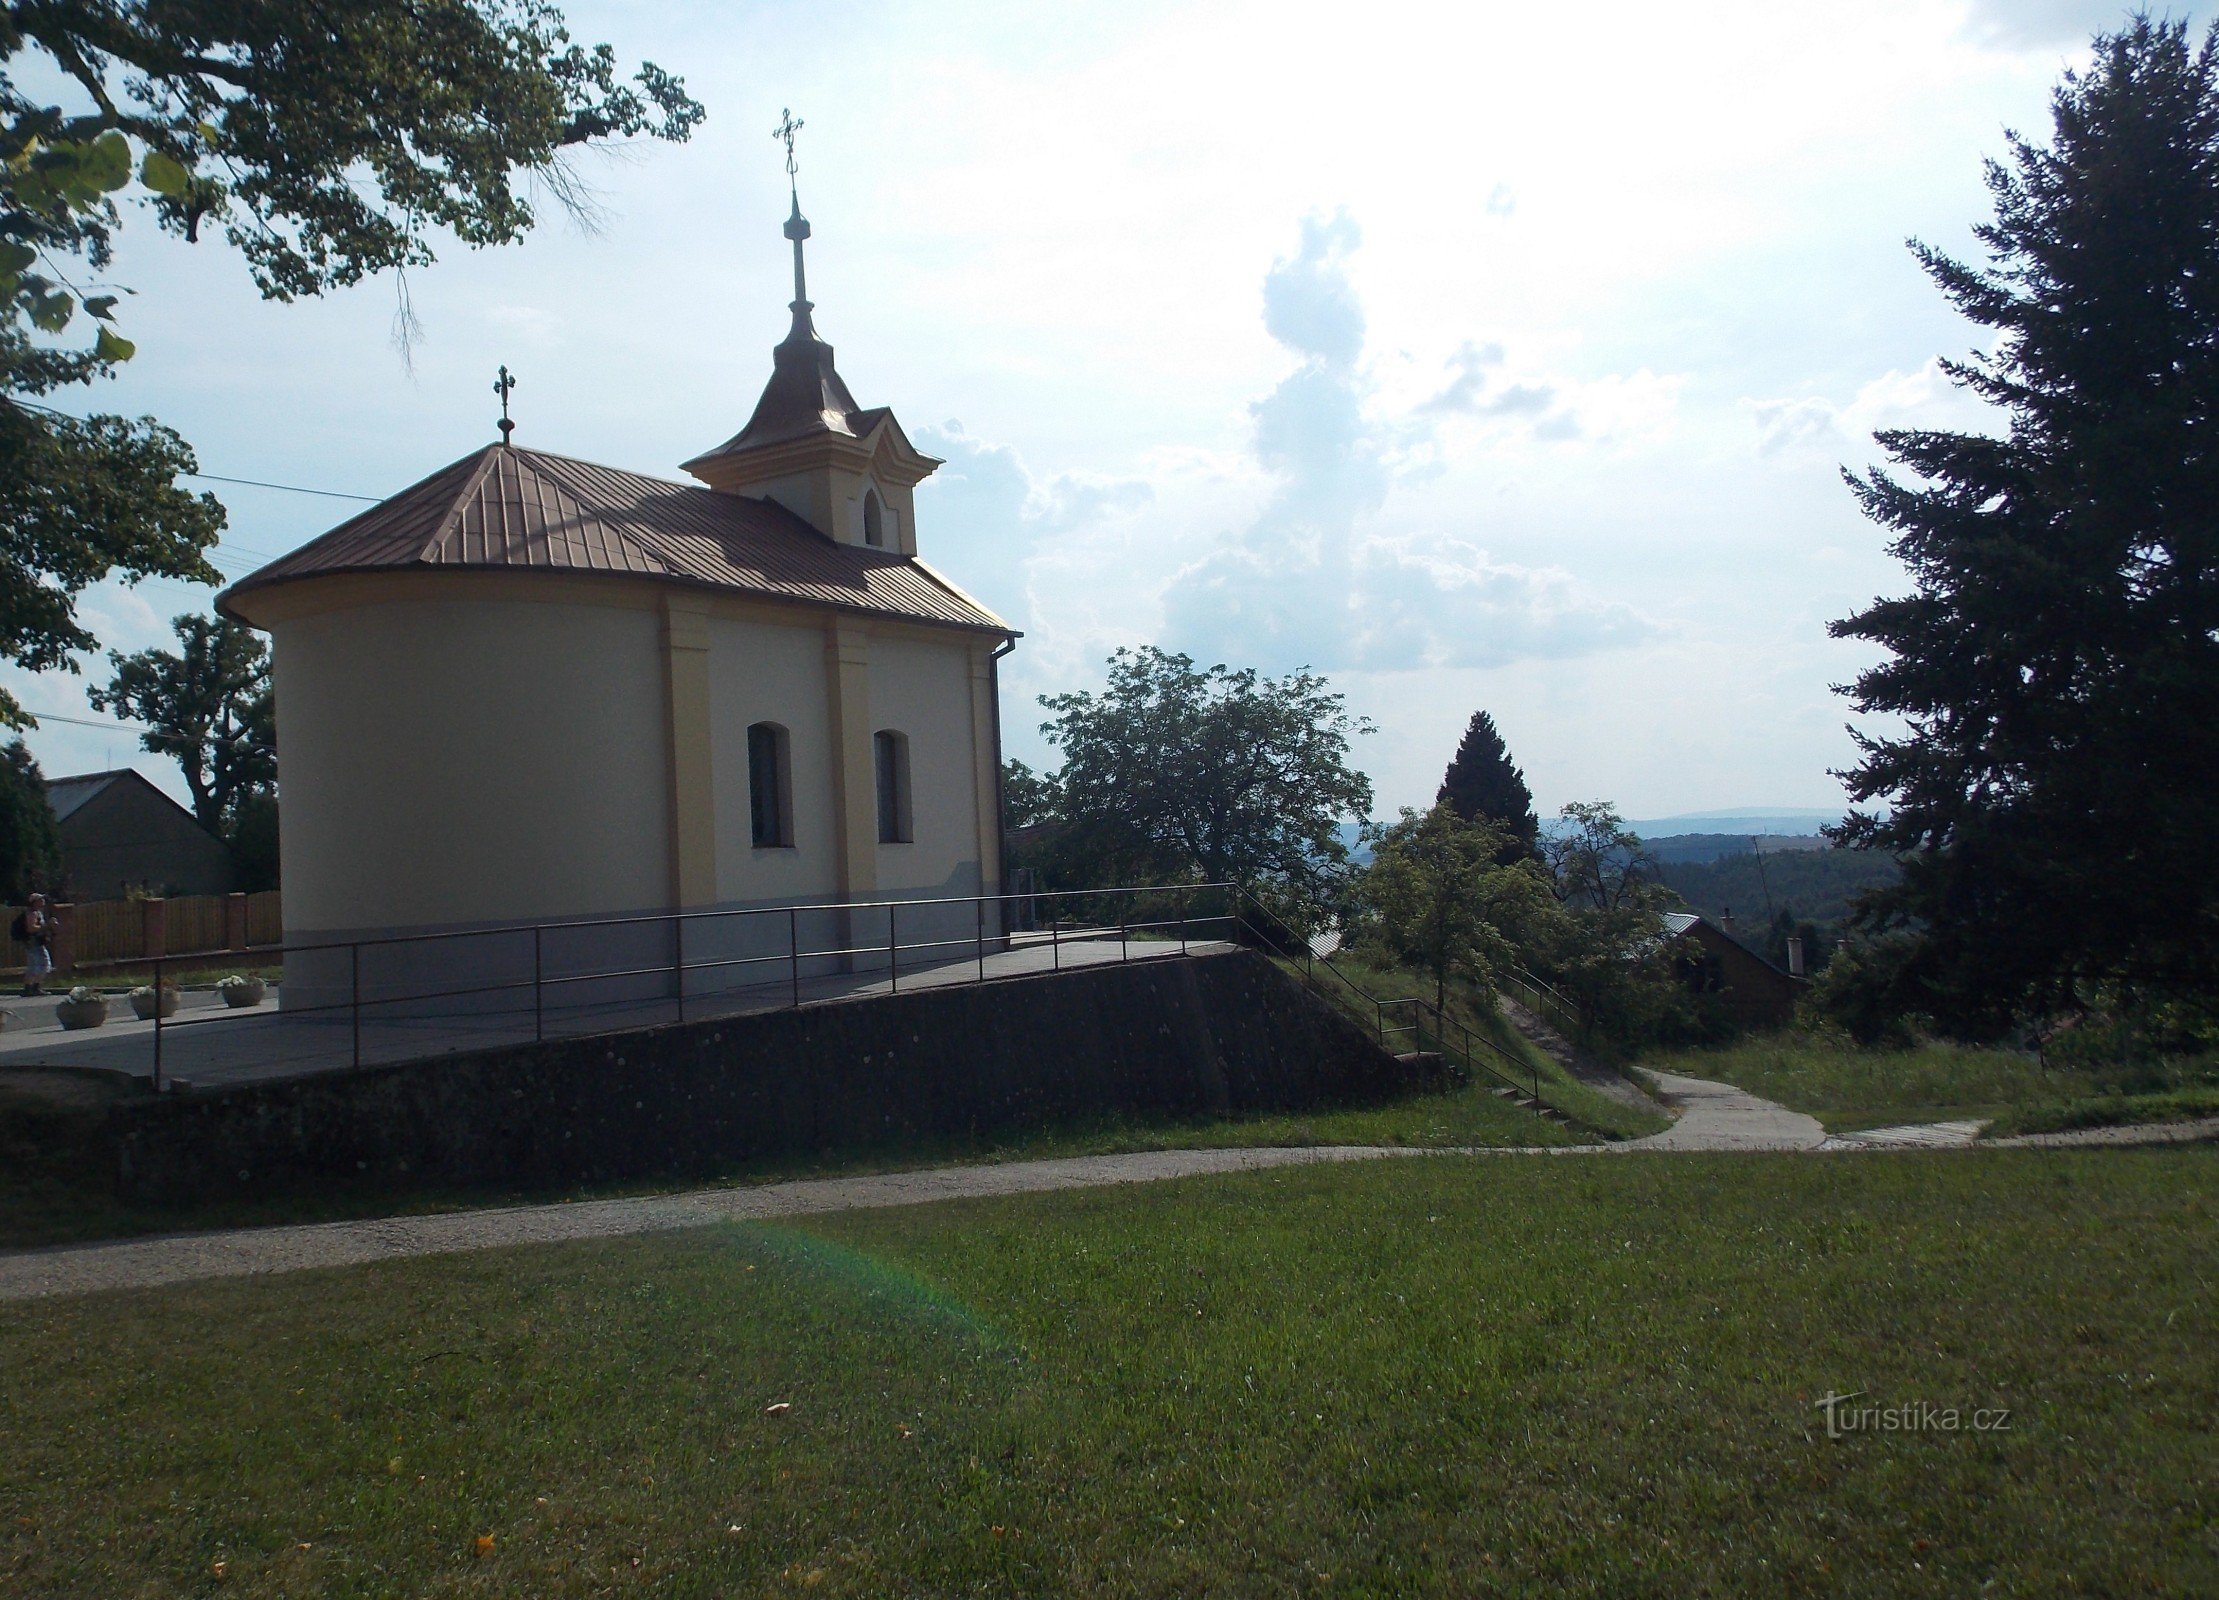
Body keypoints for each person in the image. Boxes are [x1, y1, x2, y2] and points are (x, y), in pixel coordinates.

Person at [14, 893, 55, 996]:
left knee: (39, 965)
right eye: (40, 899)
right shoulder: (31, 913)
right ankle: (31, 988)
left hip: (36, 942)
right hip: (33, 943)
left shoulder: (37, 912)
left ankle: (32, 987)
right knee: (40, 965)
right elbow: (31, 928)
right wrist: (47, 925)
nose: (43, 901)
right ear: (34, 902)